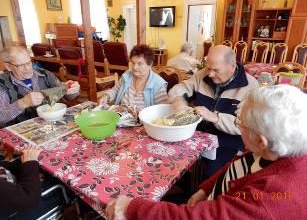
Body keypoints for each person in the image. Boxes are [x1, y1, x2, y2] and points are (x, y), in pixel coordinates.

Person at [105, 85, 307, 220]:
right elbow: (240, 166)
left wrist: (132, 208)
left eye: (240, 124)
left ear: (262, 141)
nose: (239, 126)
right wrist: (206, 188)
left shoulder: (271, 201)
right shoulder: (278, 150)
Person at [169, 45, 258, 179]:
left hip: (227, 142)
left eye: (216, 70)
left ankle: (203, 196)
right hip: (198, 136)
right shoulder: (202, 74)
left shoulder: (250, 87)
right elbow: (179, 89)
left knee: (211, 174)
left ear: (232, 66)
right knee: (171, 160)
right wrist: (178, 100)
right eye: (208, 68)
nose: (210, 74)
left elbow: (245, 125)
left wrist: (215, 117)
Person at [0, 46, 80, 127]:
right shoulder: (2, 84)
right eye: (20, 65)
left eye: (29, 62)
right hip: (20, 130)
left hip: (50, 125)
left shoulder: (45, 74)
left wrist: (72, 90)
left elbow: (67, 97)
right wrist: (23, 103)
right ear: (8, 66)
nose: (27, 68)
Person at [99, 44, 168, 111]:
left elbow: (162, 111)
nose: (135, 67)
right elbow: (115, 90)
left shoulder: (158, 84)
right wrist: (106, 96)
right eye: (133, 63)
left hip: (142, 121)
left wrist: (137, 114)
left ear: (150, 64)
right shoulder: (126, 76)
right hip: (120, 117)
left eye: (139, 63)